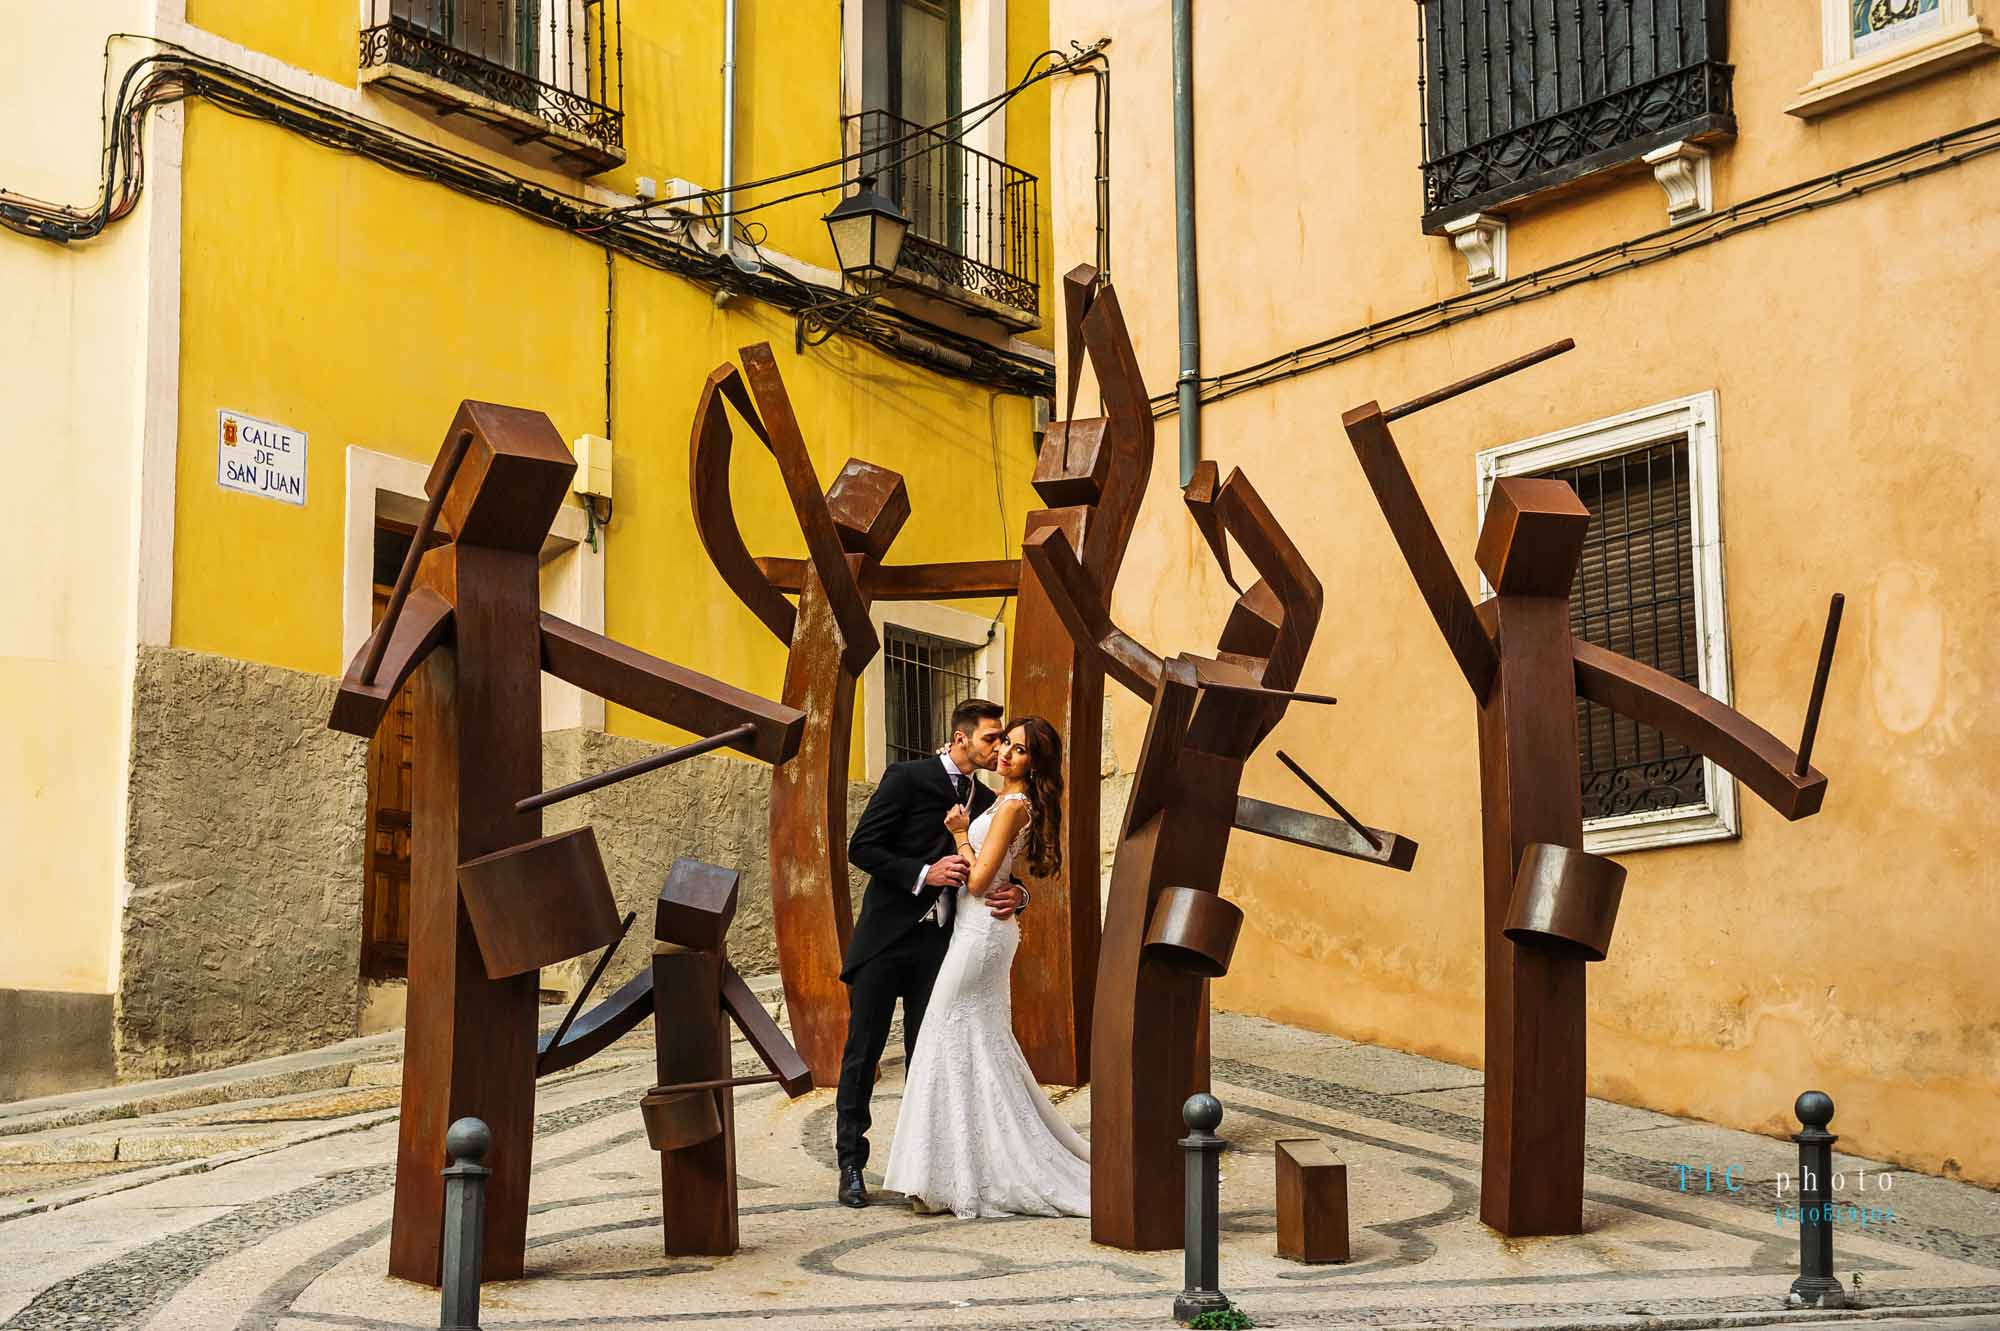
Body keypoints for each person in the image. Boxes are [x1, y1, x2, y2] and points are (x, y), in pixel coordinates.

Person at [880, 715, 1091, 1218]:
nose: (1004, 754)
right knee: (972, 1041)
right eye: (1004, 745)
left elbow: (976, 882)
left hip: (981, 936)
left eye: (1018, 750)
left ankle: (946, 1178)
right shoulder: (1002, 800)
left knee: (942, 1035)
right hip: (979, 932)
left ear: (1034, 765)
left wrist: (958, 836)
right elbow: (1004, 873)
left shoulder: (1014, 804)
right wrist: (1017, 890)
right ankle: (947, 1172)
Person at [835, 699, 1028, 1208]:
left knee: (931, 1059)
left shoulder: (988, 799)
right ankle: (851, 1164)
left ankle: (928, 1171)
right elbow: (863, 848)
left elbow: (997, 864)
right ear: (961, 738)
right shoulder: (905, 777)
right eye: (991, 738)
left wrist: (1020, 895)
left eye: (1004, 739)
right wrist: (925, 873)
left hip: (941, 946)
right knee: (863, 1053)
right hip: (885, 940)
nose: (998, 747)